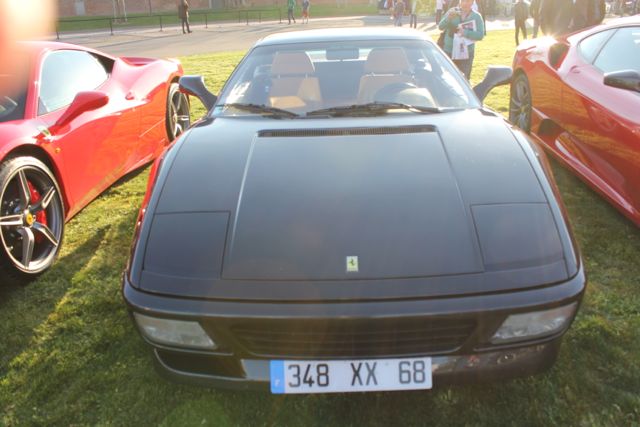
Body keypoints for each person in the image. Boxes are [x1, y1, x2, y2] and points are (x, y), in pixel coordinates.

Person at [438, 0, 484, 79]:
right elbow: (440, 27)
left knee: (464, 79)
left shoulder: (476, 16)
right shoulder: (452, 12)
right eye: (463, 1)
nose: (465, 3)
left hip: (466, 54)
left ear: (472, 2)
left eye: (468, 1)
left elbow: (480, 35)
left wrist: (465, 33)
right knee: (447, 78)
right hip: (449, 51)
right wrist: (448, 18)